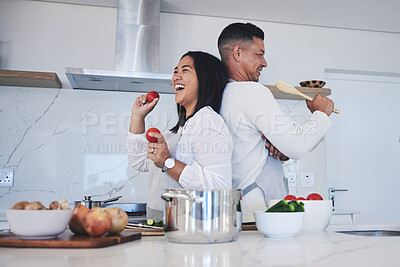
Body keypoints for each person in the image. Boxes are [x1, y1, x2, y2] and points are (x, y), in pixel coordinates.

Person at [218, 22, 335, 222]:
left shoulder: (219, 94)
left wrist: (279, 151)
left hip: (233, 211)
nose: (265, 63)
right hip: (258, 214)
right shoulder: (253, 92)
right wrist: (320, 114)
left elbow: (247, 148)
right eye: (259, 54)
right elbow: (297, 145)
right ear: (238, 53)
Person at [126, 51, 233, 221]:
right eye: (175, 71)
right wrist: (137, 117)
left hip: (187, 228)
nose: (176, 76)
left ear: (205, 80)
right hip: (161, 222)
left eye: (185, 70)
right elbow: (140, 161)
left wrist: (168, 162)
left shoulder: (209, 122)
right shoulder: (182, 127)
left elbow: (218, 187)